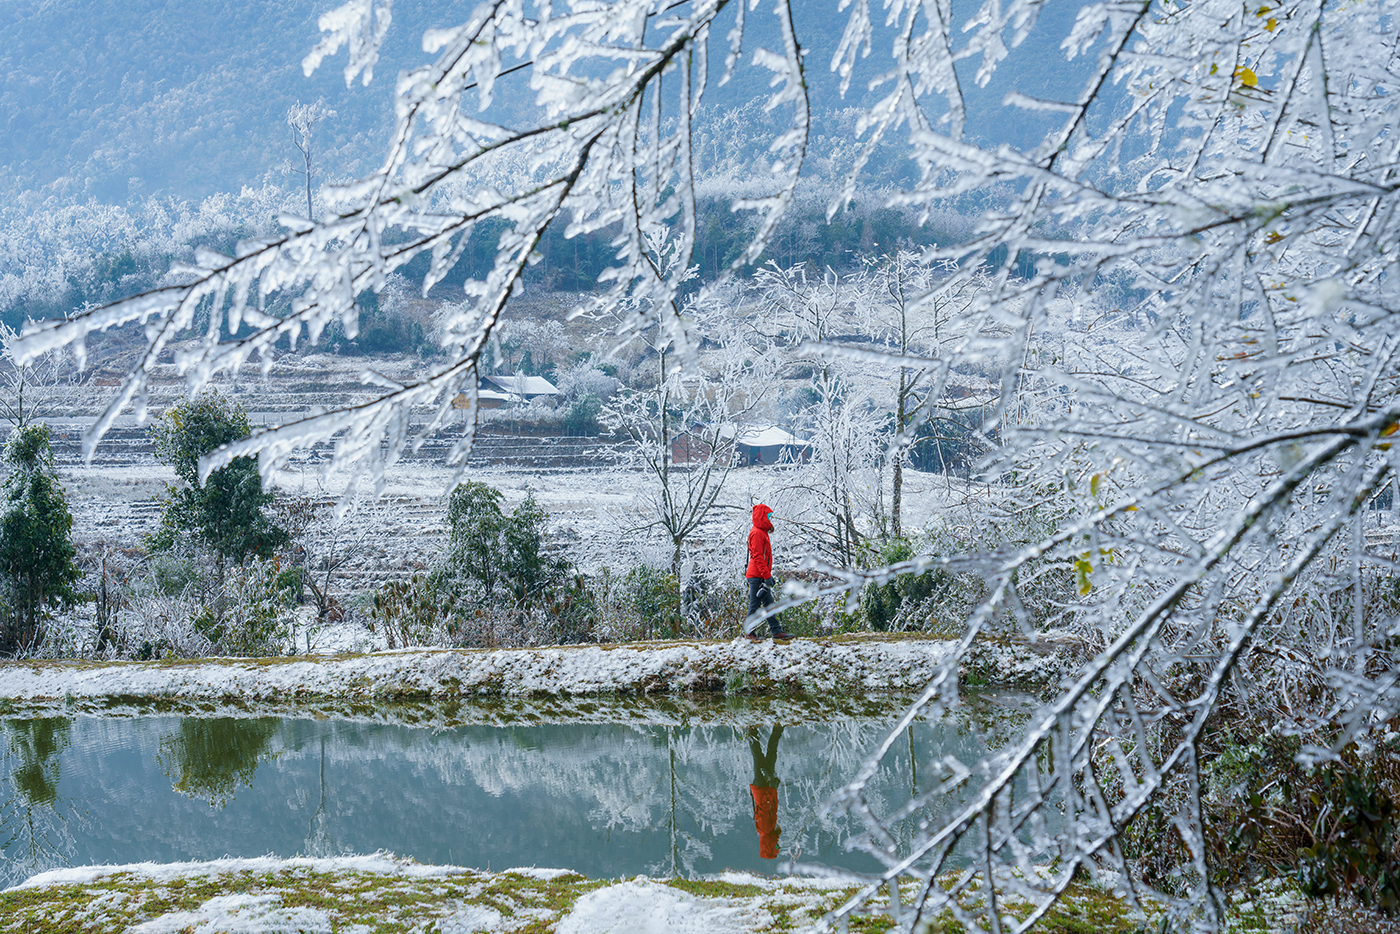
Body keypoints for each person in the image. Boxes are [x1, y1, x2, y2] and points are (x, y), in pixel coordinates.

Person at [744, 503, 791, 642]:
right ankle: (749, 633)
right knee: (755, 604)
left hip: (760, 574)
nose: (770, 519)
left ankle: (776, 632)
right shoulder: (757, 533)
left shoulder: (761, 531)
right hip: (756, 575)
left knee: (769, 604)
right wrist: (767, 576)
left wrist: (767, 575)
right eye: (768, 516)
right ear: (762, 517)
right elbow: (758, 557)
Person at [746, 724, 783, 860]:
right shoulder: (768, 830)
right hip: (766, 787)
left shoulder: (765, 830)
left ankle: (751, 729)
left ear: (769, 845)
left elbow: (764, 807)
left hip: (762, 787)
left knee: (758, 756)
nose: (778, 844)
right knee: (771, 755)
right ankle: (776, 728)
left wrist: (773, 788)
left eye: (776, 847)